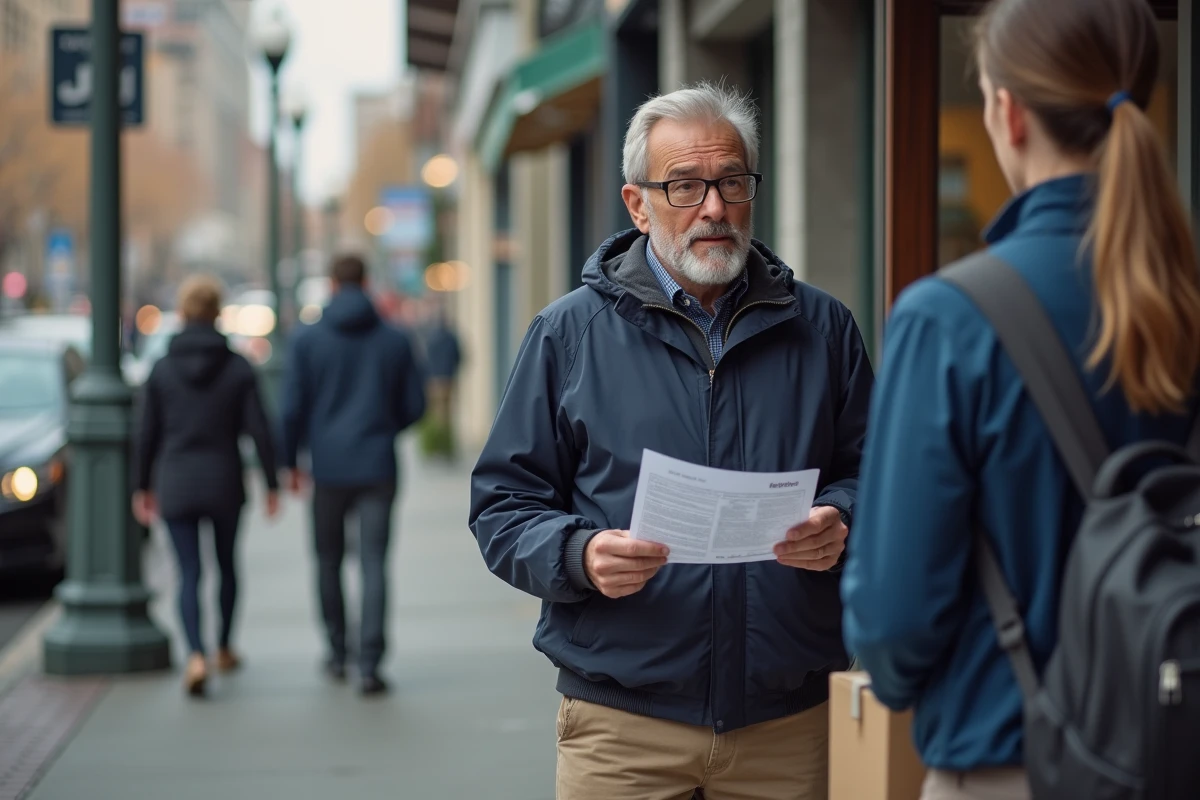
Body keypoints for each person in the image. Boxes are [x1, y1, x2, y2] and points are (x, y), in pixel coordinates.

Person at [469, 82, 874, 800]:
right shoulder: (568, 335)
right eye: (684, 185)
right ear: (638, 203)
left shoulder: (827, 330)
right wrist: (578, 554)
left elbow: (875, 473)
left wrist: (842, 518)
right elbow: (503, 505)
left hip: (786, 724)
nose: (713, 208)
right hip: (623, 728)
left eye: (731, 182)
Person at [841, 1, 1200, 798]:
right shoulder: (1184, 301)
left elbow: (894, 626)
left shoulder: (948, 319)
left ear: (1006, 112)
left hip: (1013, 763)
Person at [280, 254, 426, 697]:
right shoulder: (394, 339)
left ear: (330, 283)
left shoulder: (306, 340)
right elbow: (414, 405)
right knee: (373, 563)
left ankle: (337, 650)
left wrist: (290, 461)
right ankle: (370, 663)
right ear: (365, 282)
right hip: (378, 463)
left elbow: (290, 408)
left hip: (326, 467)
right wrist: (383, 430)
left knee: (327, 560)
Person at [133, 274, 280, 697]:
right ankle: (225, 647)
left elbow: (147, 434)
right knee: (226, 566)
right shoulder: (238, 367)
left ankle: (195, 654)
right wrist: (271, 483)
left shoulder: (161, 369)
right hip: (224, 481)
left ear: (182, 313)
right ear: (217, 313)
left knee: (189, 573)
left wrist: (141, 486)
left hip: (176, 480)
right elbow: (260, 429)